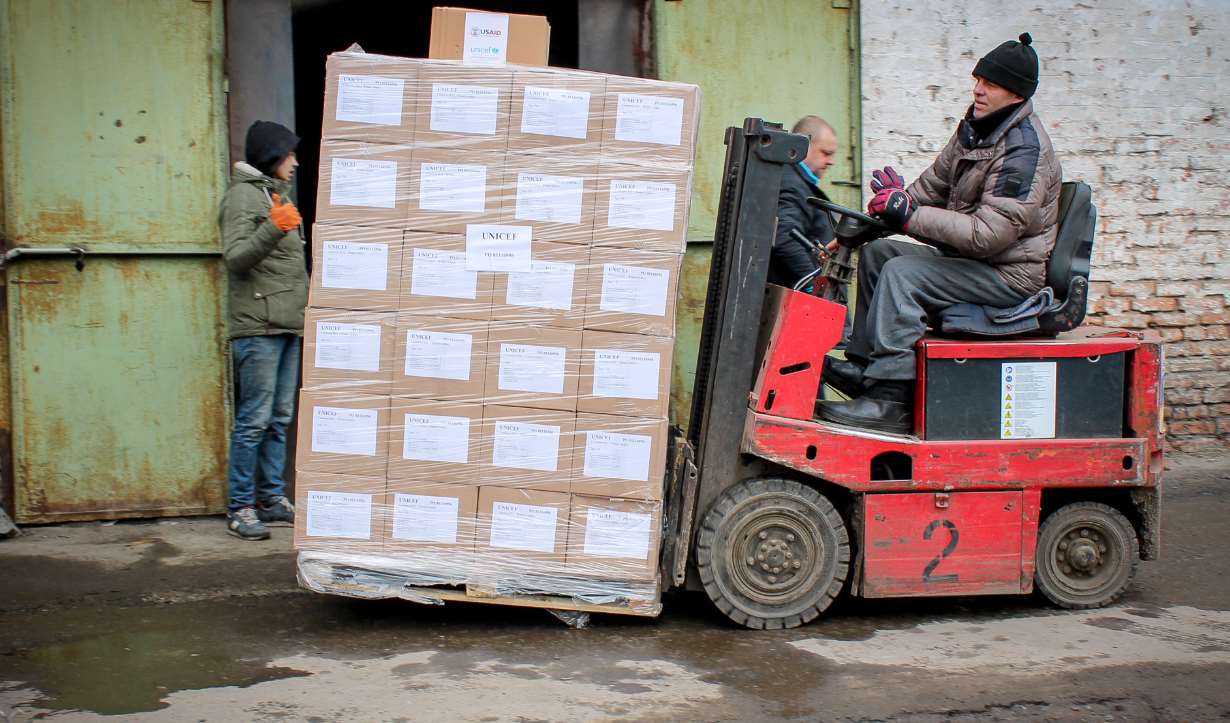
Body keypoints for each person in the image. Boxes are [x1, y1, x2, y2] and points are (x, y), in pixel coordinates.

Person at [819, 33, 1062, 434]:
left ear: (1016, 95)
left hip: (1009, 276)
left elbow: (989, 235)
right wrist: (862, 229)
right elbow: (928, 189)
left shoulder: (1024, 152)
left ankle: (891, 398)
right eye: (978, 79)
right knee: (881, 255)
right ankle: (865, 369)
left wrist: (909, 216)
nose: (978, 89)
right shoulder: (977, 130)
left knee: (904, 275)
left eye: (991, 84)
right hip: (977, 263)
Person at [219, 120, 309, 540]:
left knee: (279, 418)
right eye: (289, 154)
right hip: (258, 327)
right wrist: (275, 227)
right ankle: (241, 507)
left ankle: (271, 499)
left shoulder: (274, 195)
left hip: (287, 323)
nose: (294, 161)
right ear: (272, 156)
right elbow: (236, 257)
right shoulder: (242, 197)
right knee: (254, 420)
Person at [767, 115, 838, 288]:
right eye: (826, 153)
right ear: (803, 146)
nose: (831, 161)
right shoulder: (793, 185)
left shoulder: (798, 182)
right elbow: (783, 236)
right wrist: (813, 285)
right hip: (801, 298)